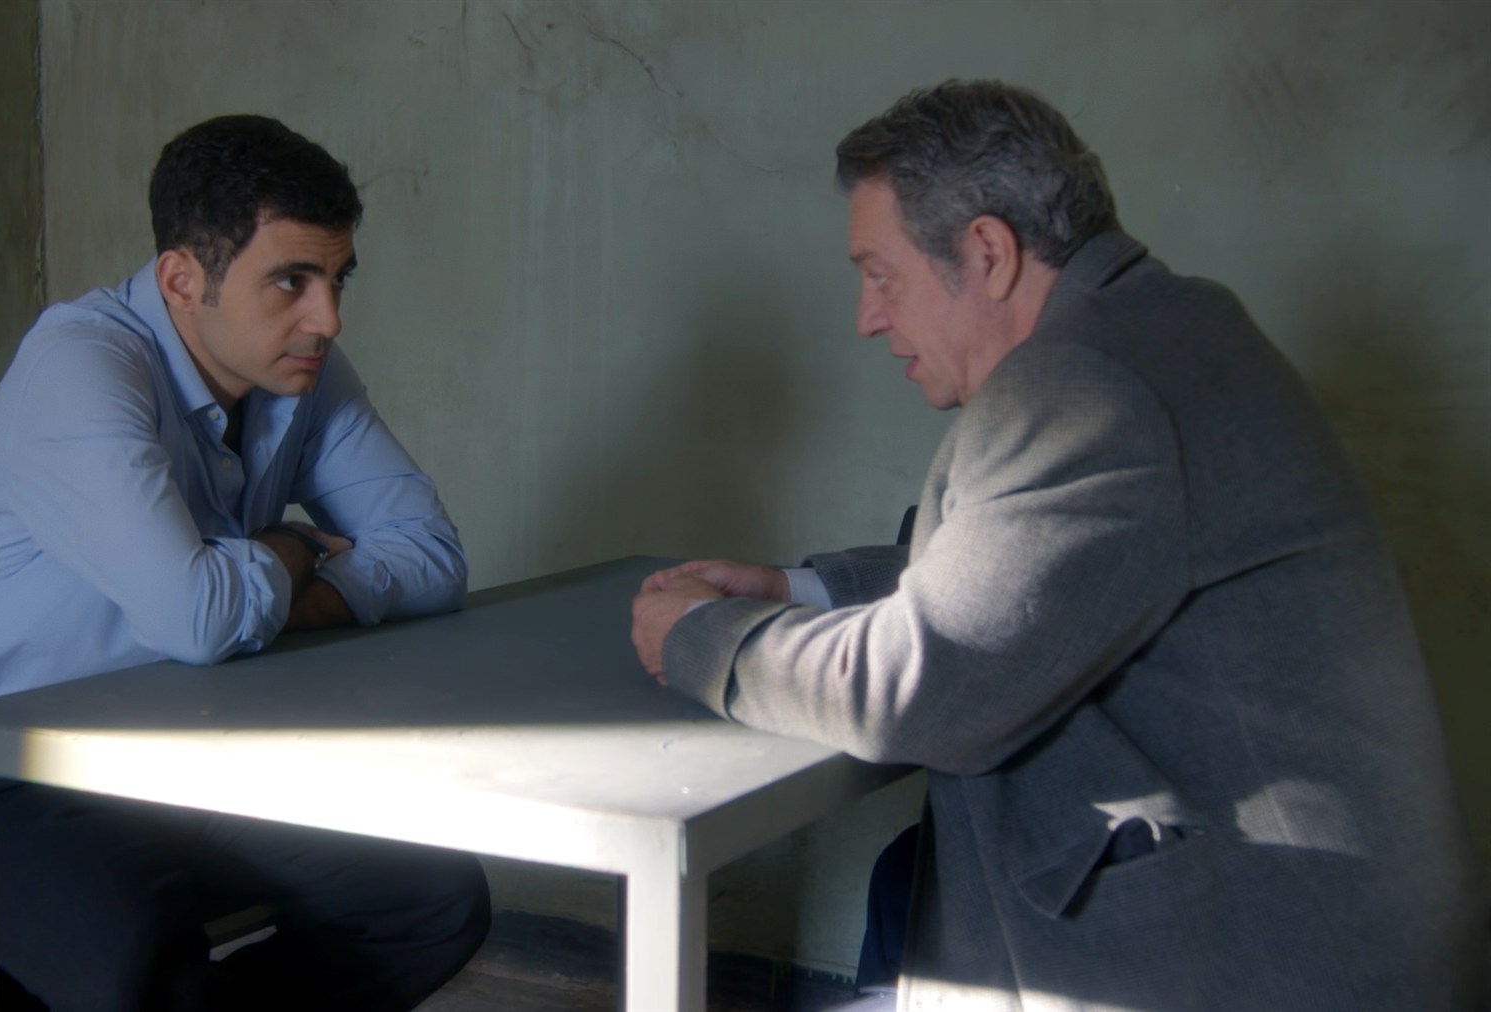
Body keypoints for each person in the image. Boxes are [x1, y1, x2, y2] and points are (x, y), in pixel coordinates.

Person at [630, 80, 1486, 1010]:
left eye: (881, 274)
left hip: (1253, 961)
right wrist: (798, 591)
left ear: (987, 252)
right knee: (903, 882)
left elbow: (911, 692)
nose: (867, 317)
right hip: (1316, 921)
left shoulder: (1088, 384)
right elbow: (1033, 572)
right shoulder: (1168, 325)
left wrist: (699, 638)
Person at [0, 115, 489, 1010]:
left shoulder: (303, 367)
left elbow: (433, 557)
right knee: (149, 963)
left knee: (430, 900)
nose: (328, 319)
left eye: (338, 279)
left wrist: (282, 602)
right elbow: (196, 619)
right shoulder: (79, 362)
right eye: (291, 280)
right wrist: (293, 547)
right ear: (181, 279)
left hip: (188, 752)